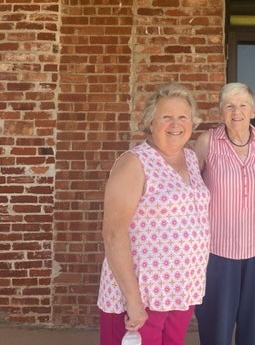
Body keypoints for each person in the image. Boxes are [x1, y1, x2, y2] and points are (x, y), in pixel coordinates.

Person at [97, 83, 210, 345]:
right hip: (141, 296)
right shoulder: (134, 163)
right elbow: (113, 235)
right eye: (166, 117)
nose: (175, 124)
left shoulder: (191, 159)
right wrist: (133, 300)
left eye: (183, 117)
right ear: (150, 122)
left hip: (180, 291)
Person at [194, 82, 255, 345]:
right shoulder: (207, 142)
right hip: (217, 251)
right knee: (215, 328)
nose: (237, 112)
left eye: (243, 105)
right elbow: (190, 192)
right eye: (229, 106)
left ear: (253, 110)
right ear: (220, 112)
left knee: (252, 328)